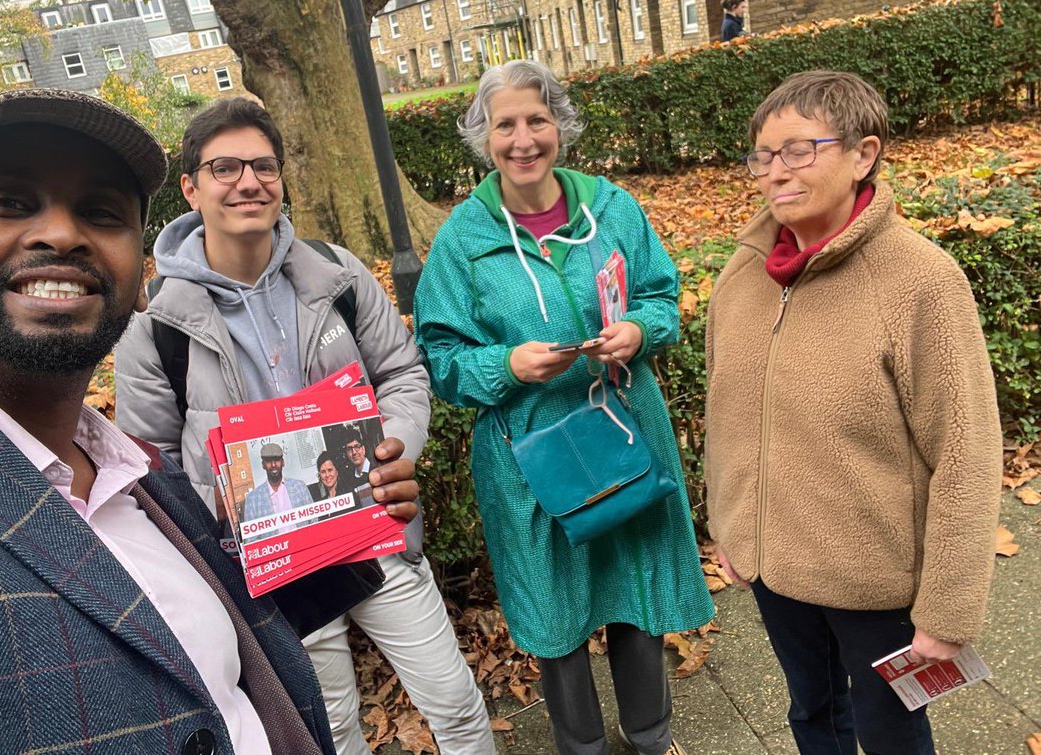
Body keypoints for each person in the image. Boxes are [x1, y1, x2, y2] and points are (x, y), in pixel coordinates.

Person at [0, 88, 360, 754]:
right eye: (8, 202)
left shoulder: (150, 481)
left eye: (100, 212)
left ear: (139, 276)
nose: (61, 233)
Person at [114, 97, 493, 755]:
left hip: (372, 529)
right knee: (331, 732)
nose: (248, 182)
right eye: (225, 167)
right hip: (269, 563)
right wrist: (228, 511)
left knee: (455, 704)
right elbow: (153, 472)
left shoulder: (337, 274)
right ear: (191, 188)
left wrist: (394, 447)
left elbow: (402, 373)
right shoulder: (153, 327)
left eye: (264, 165)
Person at [414, 60, 713, 755]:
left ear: (561, 127)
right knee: (554, 605)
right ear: (483, 137)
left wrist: (639, 332)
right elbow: (442, 358)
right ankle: (580, 746)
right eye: (505, 124)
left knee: (635, 584)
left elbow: (661, 297)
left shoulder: (611, 209)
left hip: (622, 425)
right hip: (529, 453)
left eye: (537, 119)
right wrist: (505, 364)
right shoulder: (463, 239)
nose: (524, 139)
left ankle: (650, 733)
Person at [704, 71, 1002, 755]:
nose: (775, 171)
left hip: (877, 583)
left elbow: (966, 451)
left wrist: (948, 609)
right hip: (776, 569)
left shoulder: (920, 280)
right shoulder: (742, 276)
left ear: (864, 154)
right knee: (813, 716)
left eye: (799, 150)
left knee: (891, 733)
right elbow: (728, 415)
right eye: (762, 155)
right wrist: (730, 522)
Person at [244, 441, 313, 520]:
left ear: (283, 462)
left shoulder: (300, 487)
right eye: (269, 461)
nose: (273, 465)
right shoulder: (252, 499)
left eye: (276, 460)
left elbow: (314, 519)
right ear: (263, 465)